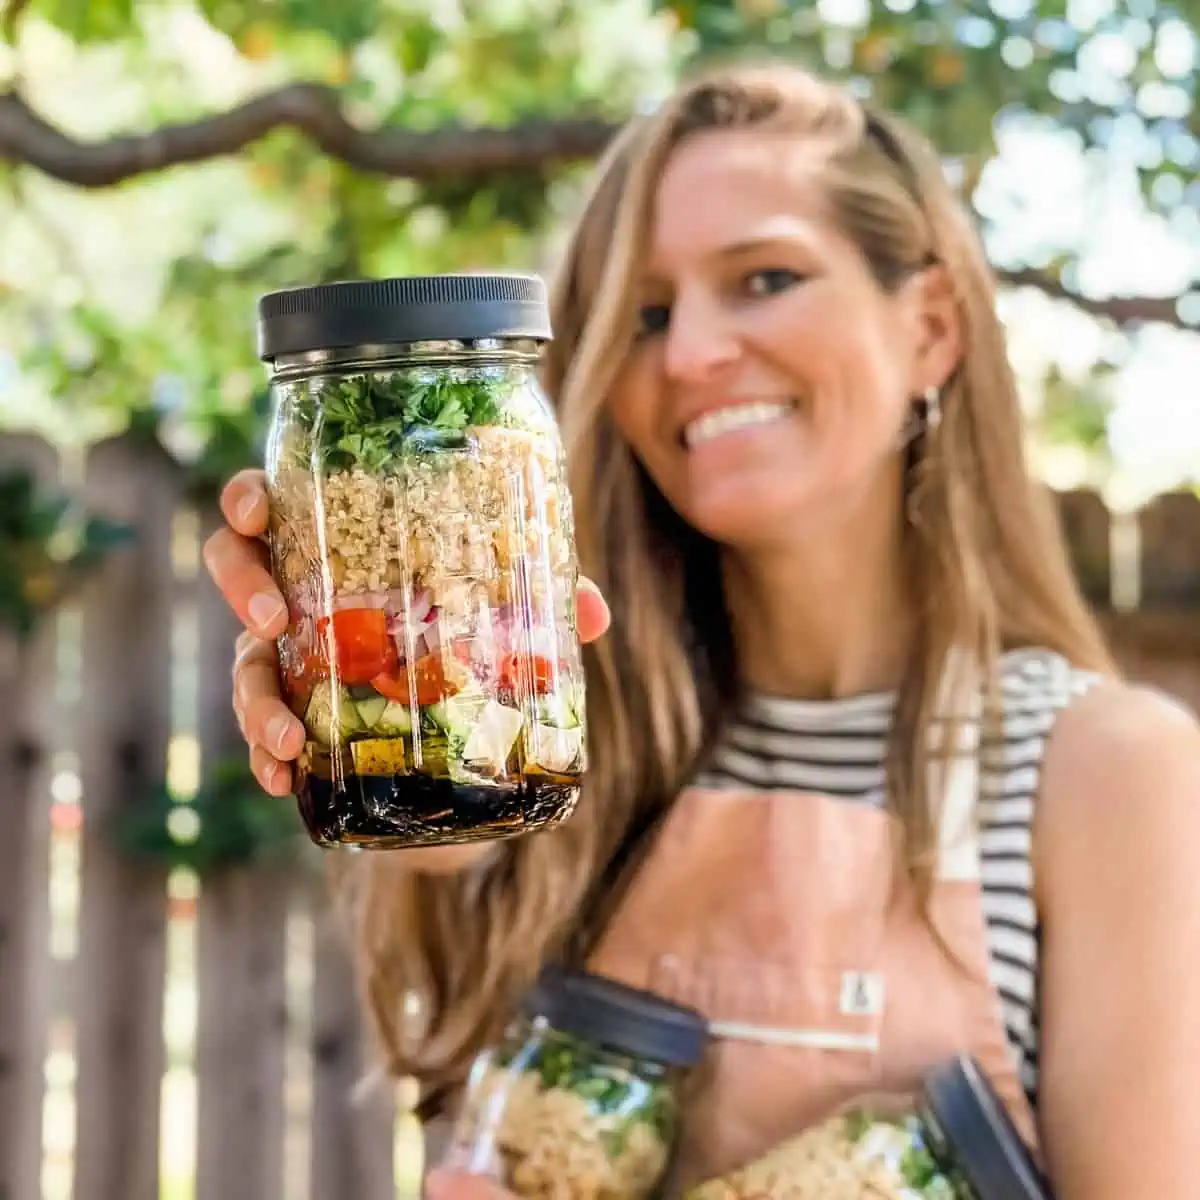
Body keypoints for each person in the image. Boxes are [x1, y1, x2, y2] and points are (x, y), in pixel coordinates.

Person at [204, 61, 1200, 1198]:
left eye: (765, 278)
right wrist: (403, 727)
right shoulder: (565, 749)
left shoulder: (1106, 775)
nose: (688, 357)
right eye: (646, 314)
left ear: (930, 328)